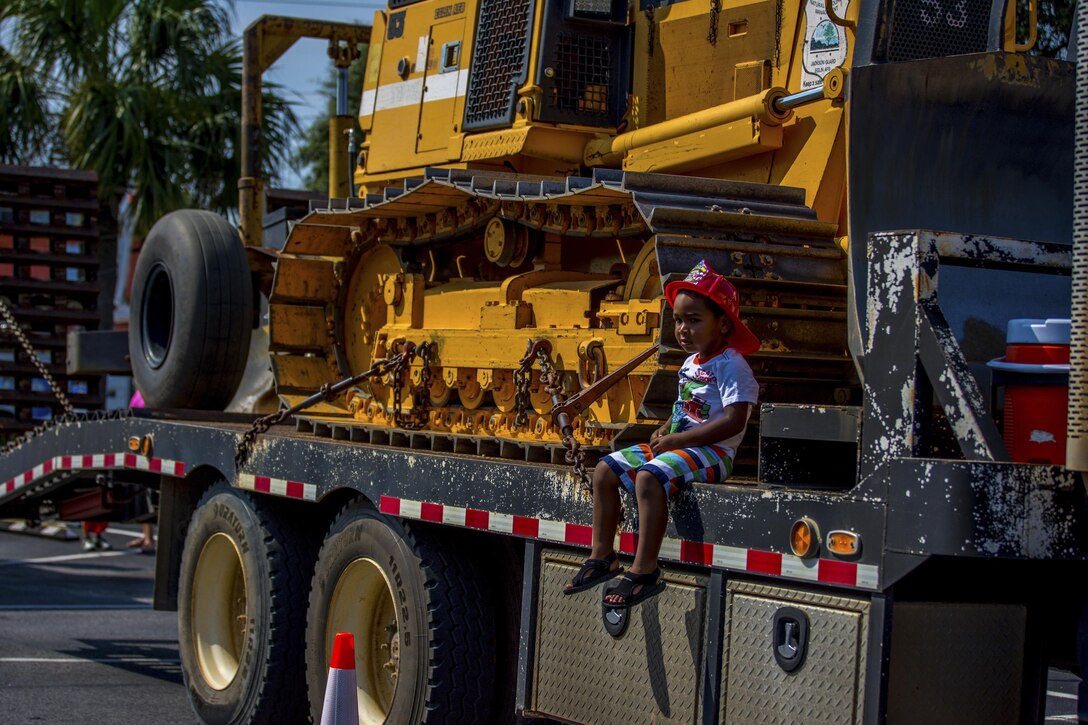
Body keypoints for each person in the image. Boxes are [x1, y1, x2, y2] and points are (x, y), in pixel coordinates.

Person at [563, 259, 760, 608]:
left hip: (714, 453)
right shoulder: (691, 362)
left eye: (694, 320)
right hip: (682, 445)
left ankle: (644, 570)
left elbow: (733, 420)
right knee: (606, 470)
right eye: (679, 320)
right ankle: (602, 556)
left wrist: (677, 440)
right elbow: (686, 406)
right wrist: (667, 428)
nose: (682, 329)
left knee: (649, 478)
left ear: (725, 325)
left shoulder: (731, 364)